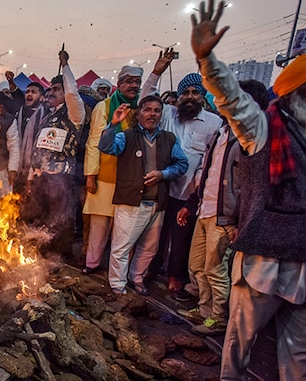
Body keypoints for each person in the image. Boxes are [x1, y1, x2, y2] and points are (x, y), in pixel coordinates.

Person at [191, 0, 306, 381]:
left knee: (301, 345)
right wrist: (207, 62)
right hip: (265, 254)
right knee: (242, 331)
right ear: (296, 93)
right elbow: (234, 103)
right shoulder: (265, 128)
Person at [176, 80, 270, 335]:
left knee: (216, 270)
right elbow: (207, 172)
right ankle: (204, 309)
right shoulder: (220, 132)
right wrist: (191, 204)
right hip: (205, 209)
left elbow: (252, 186)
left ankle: (217, 318)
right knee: (196, 265)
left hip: (225, 216)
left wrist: (239, 221)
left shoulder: (250, 139)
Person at [82, 57, 169, 275]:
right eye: (128, 81)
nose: (132, 85)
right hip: (105, 175)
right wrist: (91, 174)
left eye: (136, 82)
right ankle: (92, 264)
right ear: (119, 84)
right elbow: (94, 141)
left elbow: (148, 93)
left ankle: (119, 272)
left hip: (131, 179)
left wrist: (156, 73)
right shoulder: (104, 106)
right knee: (99, 226)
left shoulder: (140, 109)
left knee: (126, 231)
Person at [98, 95, 188, 295]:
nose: (152, 114)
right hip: (131, 202)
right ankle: (117, 286)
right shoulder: (126, 135)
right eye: (147, 110)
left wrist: (162, 174)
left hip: (157, 204)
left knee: (149, 248)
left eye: (156, 110)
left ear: (161, 114)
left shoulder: (169, 138)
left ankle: (136, 278)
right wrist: (113, 124)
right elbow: (105, 147)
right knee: (122, 248)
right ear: (139, 113)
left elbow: (182, 164)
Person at [144, 71, 222, 295]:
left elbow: (208, 161)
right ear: (178, 96)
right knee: (155, 233)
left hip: (189, 191)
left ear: (202, 96)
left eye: (195, 92)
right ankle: (152, 268)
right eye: (185, 92)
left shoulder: (213, 123)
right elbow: (146, 98)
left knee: (181, 238)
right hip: (162, 187)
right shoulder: (168, 114)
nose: (190, 97)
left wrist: (196, 192)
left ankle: (174, 274)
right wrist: (157, 72)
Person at [23, 49, 85, 259]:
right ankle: (38, 260)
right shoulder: (47, 117)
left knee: (60, 222)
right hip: (41, 179)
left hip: (61, 179)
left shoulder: (74, 114)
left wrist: (65, 65)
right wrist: (31, 179)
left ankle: (59, 262)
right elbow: (37, 150)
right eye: (49, 90)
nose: (50, 93)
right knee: (38, 220)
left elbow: (72, 93)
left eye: (55, 89)